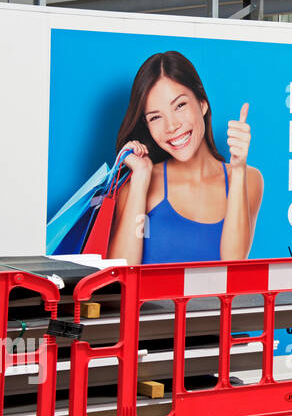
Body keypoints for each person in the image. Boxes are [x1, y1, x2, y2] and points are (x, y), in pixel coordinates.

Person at [108, 50, 263, 265]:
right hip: (151, 300)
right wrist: (140, 180)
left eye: (180, 106)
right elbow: (122, 272)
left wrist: (237, 170)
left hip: (216, 300)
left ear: (202, 103)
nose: (172, 126)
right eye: (155, 117)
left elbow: (233, 264)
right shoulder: (136, 183)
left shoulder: (249, 179)